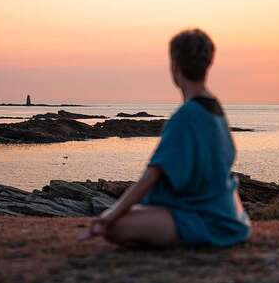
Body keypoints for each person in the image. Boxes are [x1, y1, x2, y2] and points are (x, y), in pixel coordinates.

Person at [79, 29, 251, 247]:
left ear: (175, 66)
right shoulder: (216, 109)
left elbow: (150, 177)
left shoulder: (187, 115)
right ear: (208, 64)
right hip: (231, 215)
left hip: (207, 220)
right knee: (136, 215)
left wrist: (109, 216)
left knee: (114, 228)